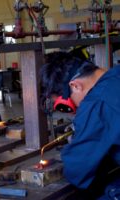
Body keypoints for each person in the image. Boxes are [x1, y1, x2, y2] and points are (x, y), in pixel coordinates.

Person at [40, 51, 120, 199]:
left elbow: (78, 170)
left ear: (75, 86)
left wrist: (72, 150)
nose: (74, 111)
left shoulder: (96, 103)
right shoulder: (116, 74)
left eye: (67, 105)